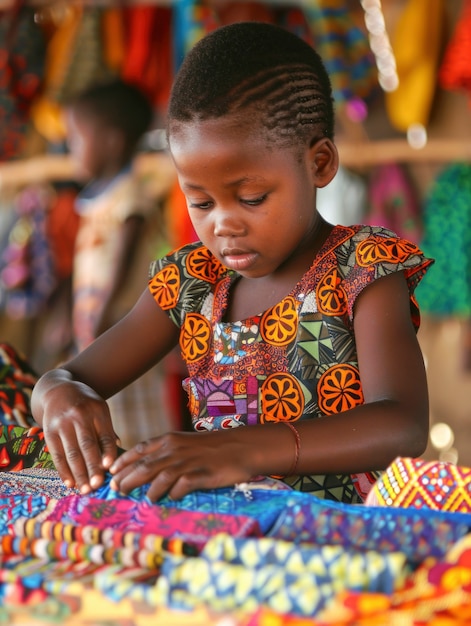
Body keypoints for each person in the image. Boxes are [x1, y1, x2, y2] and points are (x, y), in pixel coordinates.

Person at [31, 22, 434, 505]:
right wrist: (58, 399)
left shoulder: (361, 270)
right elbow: (66, 378)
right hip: (228, 544)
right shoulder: (192, 284)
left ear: (320, 164)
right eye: (200, 203)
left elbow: (401, 425)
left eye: (251, 197)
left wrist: (239, 449)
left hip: (344, 544)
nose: (224, 225)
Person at [59, 78, 172, 448]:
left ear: (111, 141)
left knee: (130, 397)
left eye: (76, 139)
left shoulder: (129, 195)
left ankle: (141, 458)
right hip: (97, 318)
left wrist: (106, 313)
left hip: (122, 322)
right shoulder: (95, 199)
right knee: (103, 398)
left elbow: (123, 260)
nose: (70, 149)